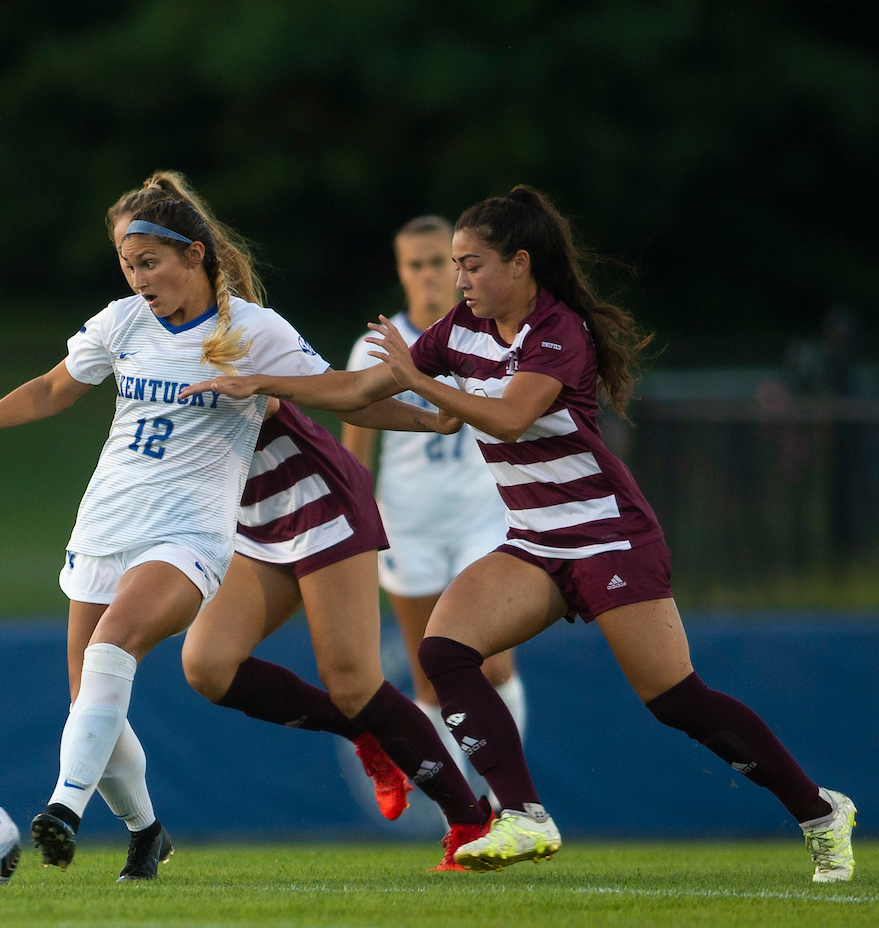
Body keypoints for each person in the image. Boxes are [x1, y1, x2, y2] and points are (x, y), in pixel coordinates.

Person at [177, 185, 857, 883]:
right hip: (533, 541)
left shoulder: (560, 331)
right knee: (443, 651)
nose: (459, 279)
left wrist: (419, 378)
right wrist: (262, 381)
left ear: (520, 265)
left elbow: (507, 418)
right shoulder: (458, 331)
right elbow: (356, 392)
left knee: (675, 699)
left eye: (471, 265)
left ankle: (819, 812)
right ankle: (522, 815)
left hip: (606, 536)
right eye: (454, 265)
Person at [103, 174, 495, 870]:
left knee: (353, 680)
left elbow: (344, 396)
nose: (139, 279)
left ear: (194, 257)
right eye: (129, 265)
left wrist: (422, 415)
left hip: (319, 505)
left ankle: (471, 819)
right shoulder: (133, 332)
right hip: (252, 522)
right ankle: (362, 735)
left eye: (148, 262)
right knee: (207, 665)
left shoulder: (250, 330)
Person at [341, 216, 526, 801]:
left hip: (483, 522)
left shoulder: (489, 334)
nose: (427, 275)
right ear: (400, 273)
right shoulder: (377, 345)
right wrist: (360, 529)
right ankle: (461, 815)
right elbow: (358, 453)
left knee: (493, 665)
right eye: (413, 264)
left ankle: (506, 800)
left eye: (436, 262)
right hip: (410, 528)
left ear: (458, 267)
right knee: (429, 679)